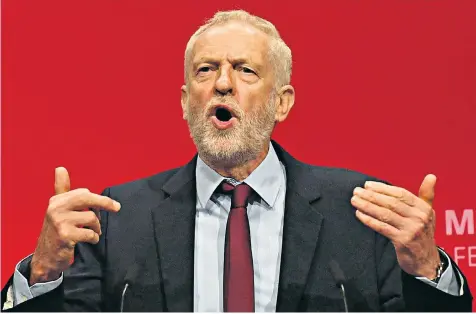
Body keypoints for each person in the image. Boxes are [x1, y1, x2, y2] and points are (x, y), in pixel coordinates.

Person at [1, 9, 473, 312]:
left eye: (245, 70)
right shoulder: (120, 217)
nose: (223, 84)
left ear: (283, 102)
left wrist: (428, 271)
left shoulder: (360, 212)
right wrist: (41, 275)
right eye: (206, 71)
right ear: (186, 101)